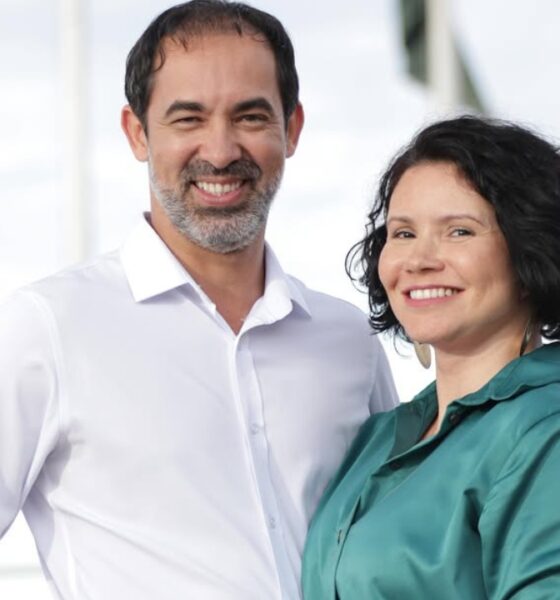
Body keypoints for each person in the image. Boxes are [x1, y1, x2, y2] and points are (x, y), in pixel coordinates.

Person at [0, 2, 397, 599]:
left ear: (292, 128)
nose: (220, 150)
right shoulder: (48, 328)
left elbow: (390, 536)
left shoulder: (348, 342)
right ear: (137, 133)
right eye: (188, 119)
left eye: (250, 116)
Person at [302, 115, 560, 598]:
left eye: (459, 231)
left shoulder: (546, 428)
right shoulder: (379, 437)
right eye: (403, 233)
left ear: (531, 251)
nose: (419, 260)